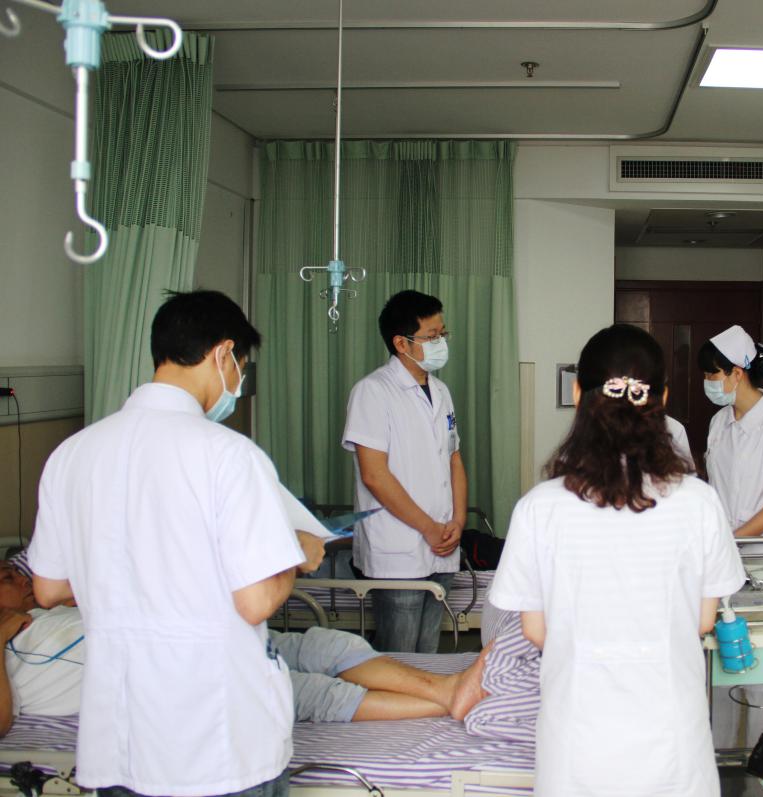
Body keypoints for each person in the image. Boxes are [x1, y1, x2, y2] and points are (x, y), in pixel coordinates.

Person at [28, 290, 324, 797]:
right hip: (218, 746)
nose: (238, 382)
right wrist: (296, 554)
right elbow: (255, 601)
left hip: (118, 743)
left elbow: (49, 589)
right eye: (241, 366)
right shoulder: (229, 455)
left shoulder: (72, 455)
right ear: (223, 353)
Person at [489, 324, 746, 797]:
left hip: (577, 744)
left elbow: (535, 630)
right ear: (662, 398)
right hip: (673, 742)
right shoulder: (699, 502)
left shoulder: (539, 508)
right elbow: (703, 620)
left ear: (577, 394)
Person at [0, 562, 490, 735]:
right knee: (301, 689)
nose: (21, 580)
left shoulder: (47, 612)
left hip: (206, 640)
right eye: (7, 578)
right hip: (176, 678)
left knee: (328, 645)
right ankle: (447, 699)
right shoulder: (9, 645)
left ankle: (446, 686)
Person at [343, 290, 467, 653]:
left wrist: (458, 521)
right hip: (398, 548)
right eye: (432, 336)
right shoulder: (372, 392)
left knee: (427, 652)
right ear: (401, 343)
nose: (441, 343)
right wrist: (428, 527)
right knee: (398, 657)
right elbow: (374, 475)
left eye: (443, 334)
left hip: (443, 542)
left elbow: (453, 458)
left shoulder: (441, 391)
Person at [699, 324, 763, 544]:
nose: (706, 382)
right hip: (724, 543)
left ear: (737, 373)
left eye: (711, 374)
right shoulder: (719, 421)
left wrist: (733, 541)